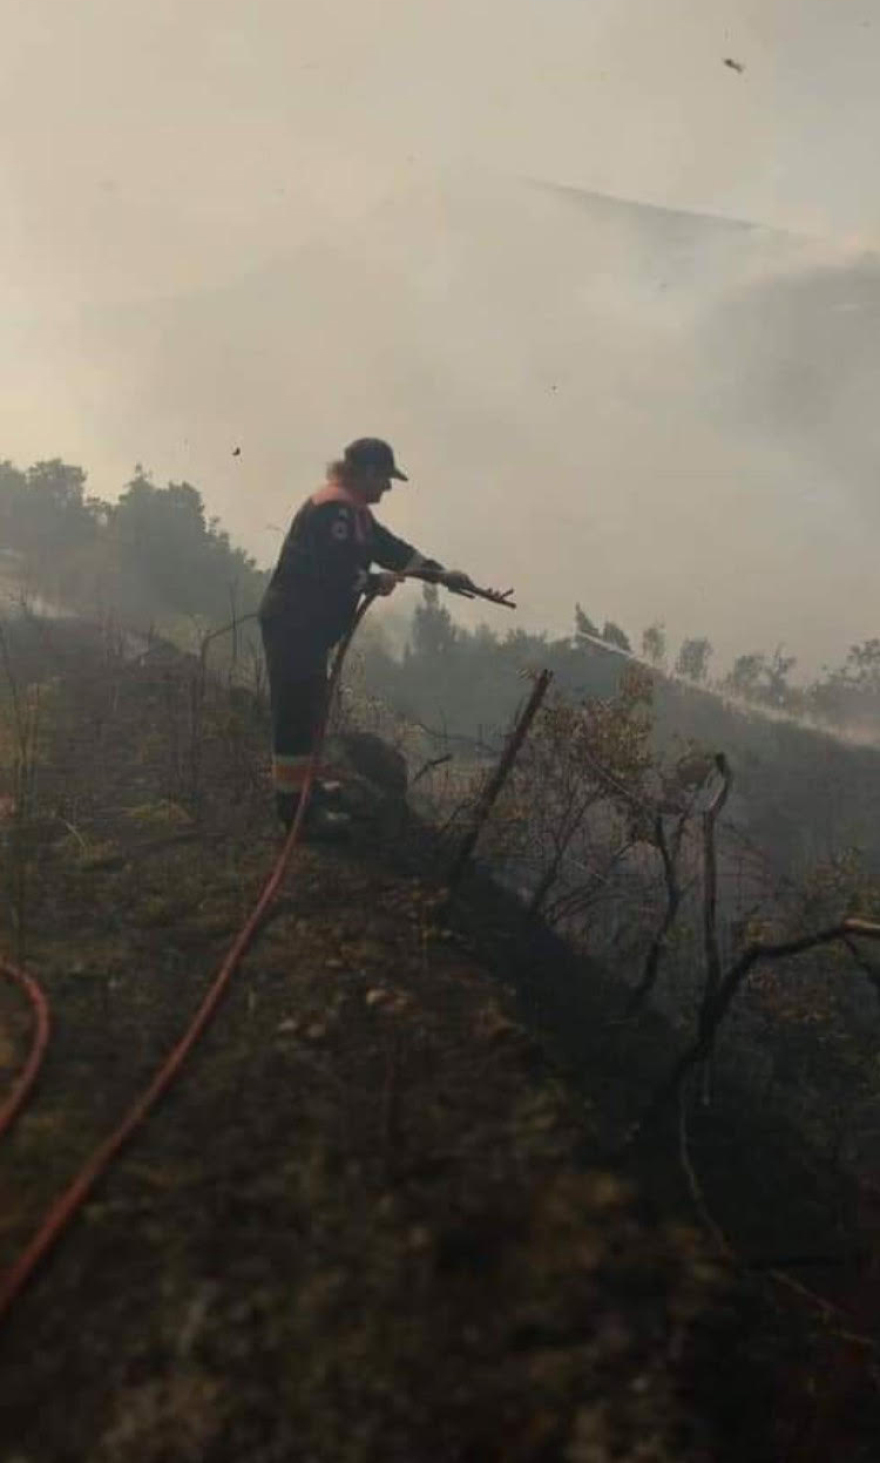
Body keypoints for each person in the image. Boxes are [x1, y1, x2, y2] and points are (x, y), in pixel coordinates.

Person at [259, 437, 473, 838]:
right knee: (295, 715)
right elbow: (331, 573)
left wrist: (441, 575)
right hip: (293, 626)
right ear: (366, 473)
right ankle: (294, 813)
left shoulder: (353, 512)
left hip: (306, 631)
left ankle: (306, 792)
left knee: (308, 711)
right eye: (385, 479)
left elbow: (391, 549)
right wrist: (374, 581)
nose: (388, 489)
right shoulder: (335, 510)